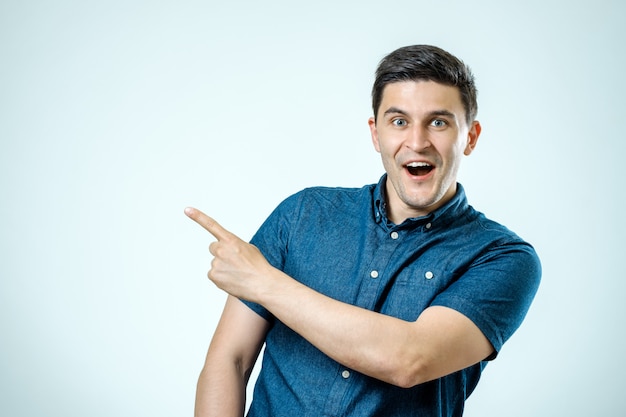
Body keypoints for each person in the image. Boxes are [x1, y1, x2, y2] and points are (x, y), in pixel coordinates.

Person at [185, 44, 541, 417]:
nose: (417, 142)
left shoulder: (502, 257)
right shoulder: (303, 214)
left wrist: (265, 283)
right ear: (376, 133)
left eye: (438, 122)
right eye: (399, 121)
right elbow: (231, 360)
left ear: (470, 136)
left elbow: (410, 359)